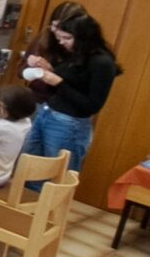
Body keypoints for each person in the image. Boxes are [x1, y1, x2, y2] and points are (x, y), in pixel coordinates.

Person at [22, 13, 121, 178]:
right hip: (47, 114)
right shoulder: (74, 54)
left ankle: (47, 204)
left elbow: (92, 105)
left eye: (66, 38)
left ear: (84, 37)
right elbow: (65, 85)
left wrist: (59, 82)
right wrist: (49, 70)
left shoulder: (102, 63)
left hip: (69, 124)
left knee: (55, 176)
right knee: (29, 170)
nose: (61, 42)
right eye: (60, 37)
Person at [23, 1, 87, 104]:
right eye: (54, 26)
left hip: (64, 106)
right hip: (36, 100)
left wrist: (52, 71)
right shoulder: (44, 38)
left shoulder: (87, 51)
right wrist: (32, 66)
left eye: (63, 29)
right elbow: (22, 72)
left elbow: (81, 90)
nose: (57, 31)